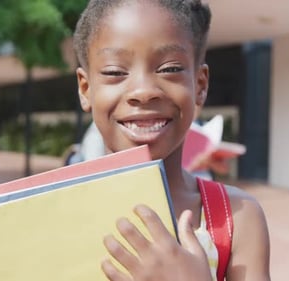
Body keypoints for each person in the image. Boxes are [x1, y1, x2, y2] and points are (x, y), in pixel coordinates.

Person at [73, 1, 271, 280]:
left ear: (199, 85)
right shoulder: (52, 216)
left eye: (168, 69)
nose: (143, 92)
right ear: (86, 89)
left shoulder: (235, 219)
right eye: (116, 72)